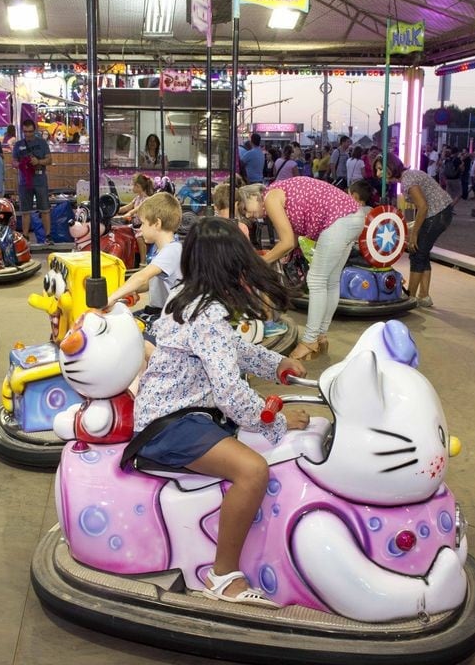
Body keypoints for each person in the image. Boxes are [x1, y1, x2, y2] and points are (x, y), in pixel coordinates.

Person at [131, 216, 309, 608]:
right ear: (227, 265)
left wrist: (274, 365)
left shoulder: (195, 300)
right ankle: (223, 575)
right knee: (253, 470)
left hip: (185, 413)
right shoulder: (205, 312)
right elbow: (229, 391)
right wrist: (274, 420)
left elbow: (232, 350)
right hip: (169, 424)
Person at [241, 177, 364, 361]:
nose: (249, 215)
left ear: (253, 196)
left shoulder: (270, 197)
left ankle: (309, 341)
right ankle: (320, 335)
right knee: (330, 281)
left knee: (316, 280)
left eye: (245, 208)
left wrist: (260, 263)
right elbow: (292, 235)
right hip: (353, 216)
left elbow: (287, 241)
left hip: (338, 220)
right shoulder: (278, 191)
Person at [107, 193, 183, 318]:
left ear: (157, 224)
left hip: (168, 316)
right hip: (159, 310)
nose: (140, 228)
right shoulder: (161, 249)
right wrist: (131, 290)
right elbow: (151, 282)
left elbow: (142, 277)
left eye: (142, 223)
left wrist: (113, 297)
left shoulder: (172, 250)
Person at [401, 169, 454, 308]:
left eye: (381, 169)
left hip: (436, 215)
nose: (378, 173)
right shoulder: (410, 175)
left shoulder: (408, 180)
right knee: (423, 254)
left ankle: (410, 297)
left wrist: (414, 234)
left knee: (417, 253)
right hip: (442, 213)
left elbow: (423, 207)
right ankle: (424, 296)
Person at [12, 118, 54, 243]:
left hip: (40, 178)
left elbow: (49, 160)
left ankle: (48, 236)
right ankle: (25, 237)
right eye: (25, 132)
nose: (28, 134)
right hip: (25, 180)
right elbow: (13, 161)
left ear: (34, 131)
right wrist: (21, 165)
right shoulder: (18, 145)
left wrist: (38, 162)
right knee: (25, 210)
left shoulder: (42, 143)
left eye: (30, 131)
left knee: (45, 209)